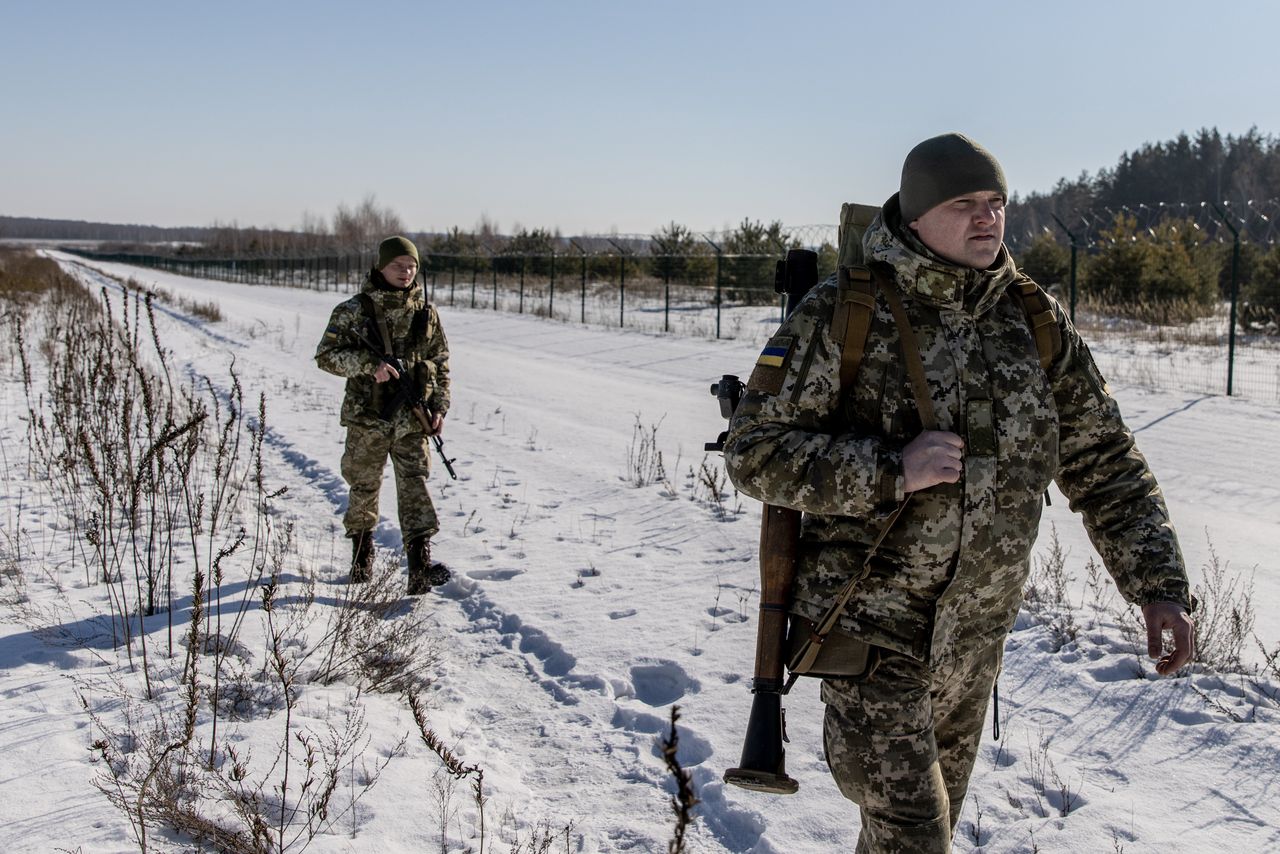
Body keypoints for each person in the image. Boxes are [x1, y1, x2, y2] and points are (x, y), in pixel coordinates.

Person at [723, 133, 1195, 853]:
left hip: (973, 644)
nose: (988, 219)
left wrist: (1158, 584)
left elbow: (1104, 461)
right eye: (964, 203)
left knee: (916, 835)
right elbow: (755, 453)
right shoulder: (846, 313)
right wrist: (891, 470)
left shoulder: (1032, 321)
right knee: (915, 835)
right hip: (870, 633)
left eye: (997, 202)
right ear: (916, 218)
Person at [315, 235, 451, 595]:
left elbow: (440, 362)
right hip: (368, 418)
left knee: (415, 486)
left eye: (411, 266)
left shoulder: (426, 313)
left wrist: (438, 408)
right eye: (397, 265)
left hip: (411, 420)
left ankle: (420, 568)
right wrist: (368, 364)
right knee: (363, 486)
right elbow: (326, 356)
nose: (405, 272)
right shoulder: (354, 309)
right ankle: (362, 558)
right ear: (380, 266)